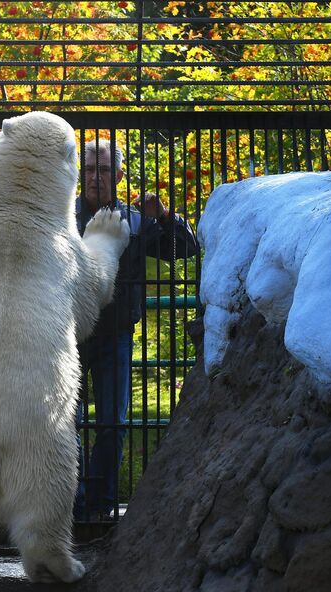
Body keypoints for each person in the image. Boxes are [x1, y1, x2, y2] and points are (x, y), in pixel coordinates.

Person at [74, 140, 200, 521]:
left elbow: (186, 249)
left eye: (105, 170)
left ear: (119, 175)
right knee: (65, 422)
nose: (96, 177)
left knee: (114, 420)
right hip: (68, 334)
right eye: (90, 170)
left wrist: (163, 216)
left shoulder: (133, 219)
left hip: (115, 334)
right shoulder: (62, 217)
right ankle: (73, 503)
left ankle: (101, 503)